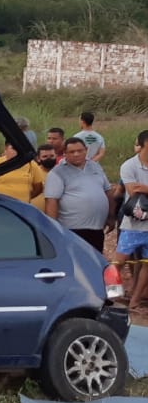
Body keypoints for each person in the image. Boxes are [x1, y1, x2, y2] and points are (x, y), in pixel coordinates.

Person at [45, 137, 115, 252]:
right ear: (65, 153)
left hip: (96, 228)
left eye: (80, 150)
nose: (76, 154)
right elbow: (52, 201)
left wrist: (111, 216)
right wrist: (54, 228)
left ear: (86, 150)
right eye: (72, 152)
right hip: (72, 230)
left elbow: (107, 191)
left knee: (95, 261)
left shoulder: (95, 166)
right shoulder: (57, 173)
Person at [115, 130, 148, 313]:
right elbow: (133, 190)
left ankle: (135, 301)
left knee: (146, 264)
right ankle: (110, 295)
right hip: (133, 224)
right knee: (119, 261)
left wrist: (146, 188)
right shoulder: (129, 165)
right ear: (143, 145)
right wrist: (141, 189)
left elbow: (140, 189)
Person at [0, 139, 46, 203]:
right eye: (14, 148)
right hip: (1, 208)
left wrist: (25, 199)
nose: (18, 151)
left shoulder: (31, 164)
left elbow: (38, 187)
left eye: (20, 149)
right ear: (6, 148)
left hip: (22, 208)